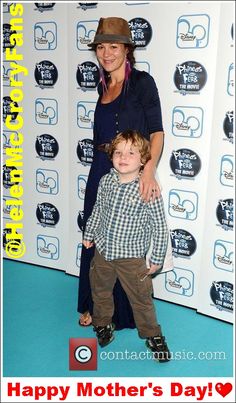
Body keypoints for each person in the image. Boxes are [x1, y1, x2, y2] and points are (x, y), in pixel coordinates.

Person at [78, 16, 165, 328]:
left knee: (125, 243)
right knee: (96, 235)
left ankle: (123, 312)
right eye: (101, 47)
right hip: (100, 171)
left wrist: (148, 170)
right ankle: (93, 304)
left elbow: (156, 132)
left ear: (127, 49)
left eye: (113, 46)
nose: (106, 53)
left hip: (132, 173)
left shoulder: (142, 83)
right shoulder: (102, 85)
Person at [83, 130, 170, 362]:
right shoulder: (106, 181)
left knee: (141, 299)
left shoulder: (148, 188)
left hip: (132, 258)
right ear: (111, 155)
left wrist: (157, 258)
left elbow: (160, 227)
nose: (123, 157)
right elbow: (98, 210)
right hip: (103, 251)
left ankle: (153, 335)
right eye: (119, 152)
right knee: (100, 292)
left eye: (131, 153)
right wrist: (89, 233)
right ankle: (102, 325)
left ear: (143, 159)